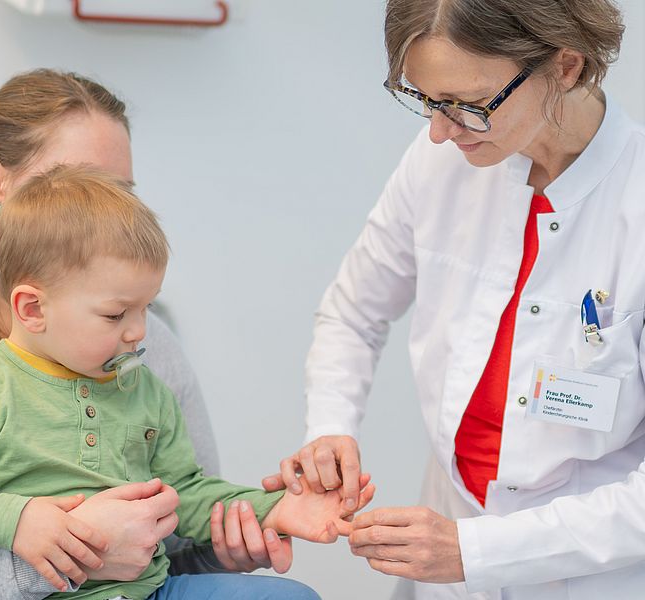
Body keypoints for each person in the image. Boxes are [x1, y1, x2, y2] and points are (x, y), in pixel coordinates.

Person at [263, 0, 645, 598]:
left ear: (566, 67)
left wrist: (474, 550)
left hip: (587, 575)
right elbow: (354, 312)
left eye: (468, 106)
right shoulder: (442, 159)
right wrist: (330, 427)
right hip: (444, 557)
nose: (441, 131)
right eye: (426, 100)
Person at [0, 68, 292, 600]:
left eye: (119, 193)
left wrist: (234, 540)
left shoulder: (145, 342)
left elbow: (179, 515)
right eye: (74, 184)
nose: (103, 211)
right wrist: (78, 554)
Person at [0, 166, 374, 600]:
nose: (138, 331)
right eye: (116, 314)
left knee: (291, 597)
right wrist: (18, 521)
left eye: (146, 308)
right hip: (38, 596)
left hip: (150, 591)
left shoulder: (146, 392)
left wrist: (280, 508)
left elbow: (184, 493)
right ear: (32, 309)